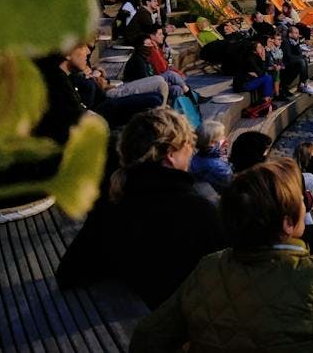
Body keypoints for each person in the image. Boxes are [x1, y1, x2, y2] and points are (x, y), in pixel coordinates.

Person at [130, 159, 313, 353]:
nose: (308, 204)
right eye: (302, 201)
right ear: (287, 223)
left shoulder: (210, 266)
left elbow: (146, 337)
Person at [57, 108, 225, 309]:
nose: (192, 150)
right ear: (171, 154)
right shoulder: (199, 211)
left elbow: (68, 273)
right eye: (188, 144)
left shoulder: (115, 203)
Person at [33, 45, 165, 143]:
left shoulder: (64, 77)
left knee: (157, 98)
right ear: (67, 52)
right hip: (100, 112)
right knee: (155, 100)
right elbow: (81, 116)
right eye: (83, 46)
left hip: (101, 106)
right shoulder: (58, 82)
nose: (88, 51)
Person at [189, 120, 233, 194]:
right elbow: (232, 182)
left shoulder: (199, 156)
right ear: (212, 143)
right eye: (222, 136)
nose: (225, 139)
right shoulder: (216, 167)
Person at [231, 40, 273, 107]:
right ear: (254, 51)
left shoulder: (255, 57)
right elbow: (262, 73)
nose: (262, 48)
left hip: (248, 81)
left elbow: (262, 71)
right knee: (268, 78)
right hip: (243, 85)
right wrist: (263, 59)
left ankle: (266, 99)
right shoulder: (251, 59)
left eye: (261, 46)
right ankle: (266, 100)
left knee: (267, 76)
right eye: (259, 47)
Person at [283, 25, 313, 95]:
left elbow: (299, 53)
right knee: (302, 60)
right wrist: (302, 55)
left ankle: (302, 85)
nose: (298, 35)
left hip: (292, 61)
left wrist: (303, 55)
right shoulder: (286, 42)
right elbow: (289, 56)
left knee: (304, 59)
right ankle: (305, 84)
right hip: (285, 63)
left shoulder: (295, 42)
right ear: (290, 34)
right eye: (296, 33)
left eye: (298, 33)